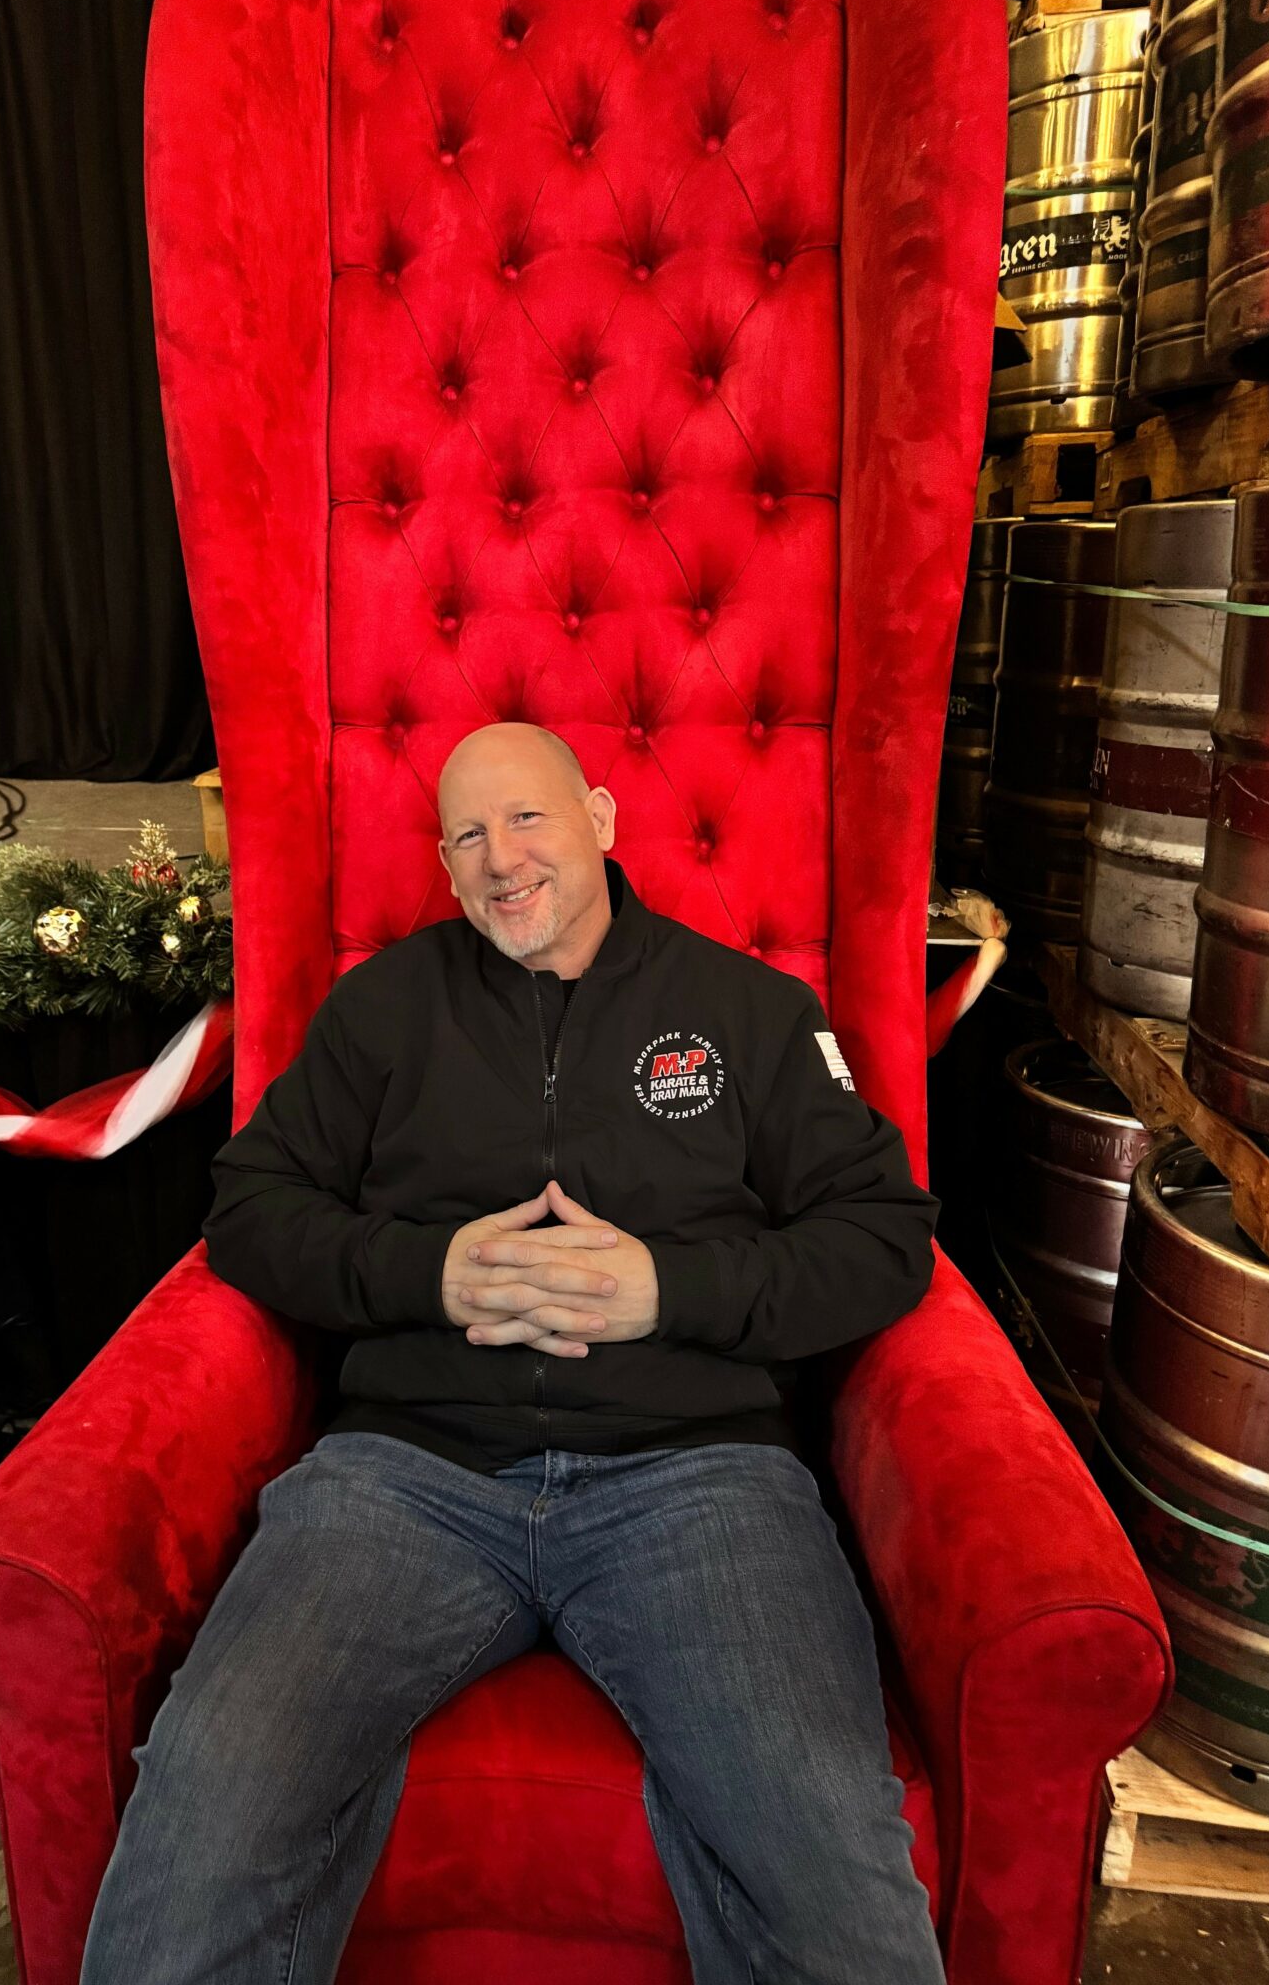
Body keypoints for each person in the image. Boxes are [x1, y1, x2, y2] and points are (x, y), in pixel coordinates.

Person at [80, 721, 946, 1985]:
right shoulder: (383, 1006)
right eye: (468, 836)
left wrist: (671, 1288)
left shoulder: (752, 1012)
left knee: (829, 1865)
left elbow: (885, 1239)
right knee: (210, 1791)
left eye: (528, 818)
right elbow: (249, 1208)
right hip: (406, 1476)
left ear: (600, 816)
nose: (501, 859)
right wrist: (425, 1270)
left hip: (697, 1479)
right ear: (442, 862)